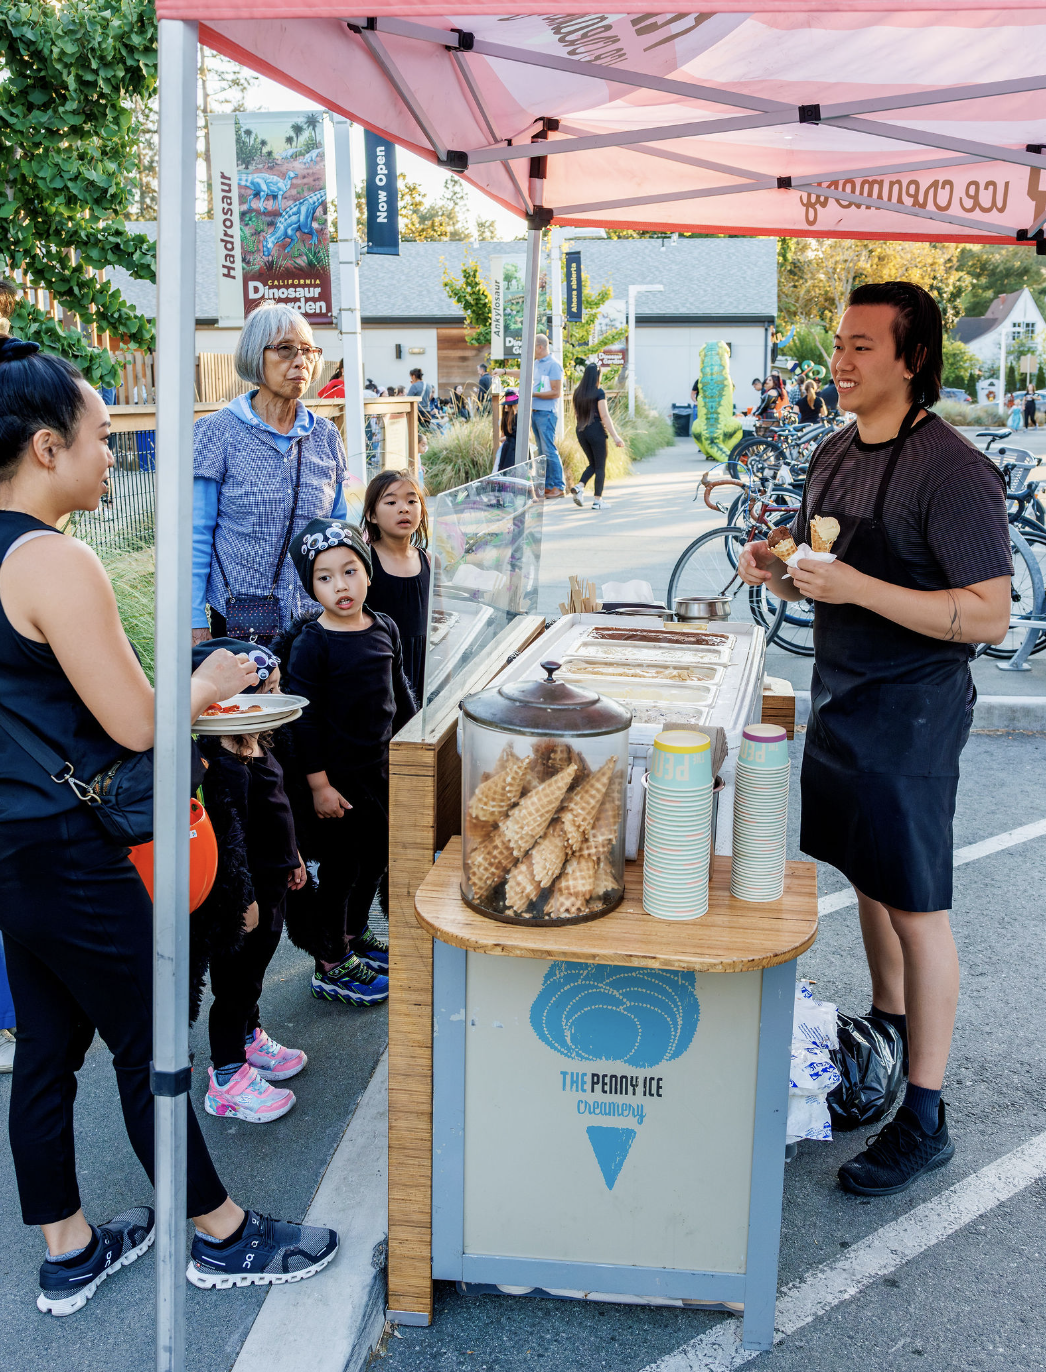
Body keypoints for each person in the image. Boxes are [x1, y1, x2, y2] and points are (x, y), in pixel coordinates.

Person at [0, 338, 338, 1314]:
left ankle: (69, 1249)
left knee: (48, 1047)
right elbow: (139, 723)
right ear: (47, 447)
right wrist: (211, 679)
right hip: (72, 848)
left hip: (14, 847)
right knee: (151, 1045)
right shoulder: (52, 560)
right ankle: (220, 1235)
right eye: (102, 436)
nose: (115, 455)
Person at [738, 281, 1012, 1197]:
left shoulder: (953, 470)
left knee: (917, 905)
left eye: (862, 345)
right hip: (844, 698)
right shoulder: (832, 451)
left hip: (915, 714)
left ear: (912, 358)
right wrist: (777, 571)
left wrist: (855, 587)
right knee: (866, 875)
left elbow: (989, 615)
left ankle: (926, 1116)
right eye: (839, 344)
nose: (840, 362)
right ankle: (888, 1029)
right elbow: (816, 575)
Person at [276, 520, 414, 1007]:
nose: (341, 586)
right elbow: (305, 721)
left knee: (375, 856)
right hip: (335, 780)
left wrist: (415, 745)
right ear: (311, 587)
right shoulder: (313, 644)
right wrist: (319, 786)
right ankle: (331, 961)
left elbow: (399, 697)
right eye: (325, 577)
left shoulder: (384, 627)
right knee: (341, 868)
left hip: (379, 772)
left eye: (350, 571)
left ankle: (354, 935)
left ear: (368, 573)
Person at [190, 642, 309, 1125]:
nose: (276, 702)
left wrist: (293, 856)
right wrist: (244, 900)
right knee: (235, 984)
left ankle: (248, 1036)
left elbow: (278, 808)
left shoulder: (259, 744)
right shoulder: (220, 764)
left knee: (255, 972)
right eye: (268, 692)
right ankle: (227, 1076)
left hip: (273, 882)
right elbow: (229, 839)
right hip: (245, 896)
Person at [192, 303, 348, 647]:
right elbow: (196, 534)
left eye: (308, 351)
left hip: (318, 618)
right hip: (240, 621)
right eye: (285, 349)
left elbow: (338, 531)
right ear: (255, 355)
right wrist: (193, 621)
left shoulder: (325, 435)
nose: (301, 361)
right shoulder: (216, 433)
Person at [361, 469, 430, 706]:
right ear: (372, 515)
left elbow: (437, 618)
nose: (404, 509)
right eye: (391, 502)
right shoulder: (363, 562)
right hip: (379, 664)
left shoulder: (429, 560)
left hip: (420, 663)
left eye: (412, 501)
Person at [568, 362, 624, 511]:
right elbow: (604, 416)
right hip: (596, 430)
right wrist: (616, 437)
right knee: (600, 466)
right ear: (597, 376)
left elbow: (577, 414)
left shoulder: (577, 393)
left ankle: (579, 487)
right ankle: (597, 501)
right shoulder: (599, 392)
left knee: (593, 464)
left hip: (581, 431)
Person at [531, 333, 566, 496]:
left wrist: (532, 394)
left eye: (532, 347)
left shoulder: (554, 365)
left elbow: (556, 392)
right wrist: (504, 372)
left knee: (549, 450)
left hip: (546, 413)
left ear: (540, 347)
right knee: (542, 452)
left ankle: (559, 486)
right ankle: (548, 485)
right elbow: (522, 373)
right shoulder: (536, 364)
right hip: (535, 412)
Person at [494, 391, 520, 472]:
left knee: (504, 470)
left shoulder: (505, 418)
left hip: (507, 448)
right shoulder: (517, 418)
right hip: (514, 449)